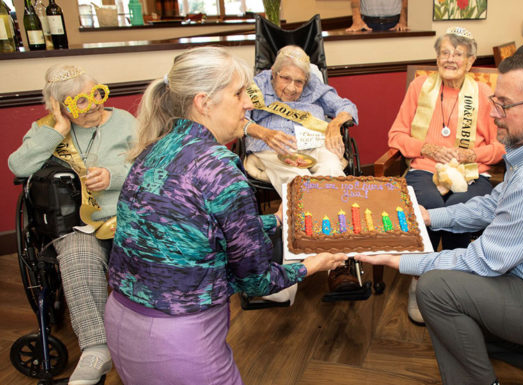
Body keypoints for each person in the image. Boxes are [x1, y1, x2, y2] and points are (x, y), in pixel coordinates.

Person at [357, 51, 523, 385]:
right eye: (495, 100)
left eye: (505, 105)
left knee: (436, 290)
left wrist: (401, 259)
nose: (494, 114)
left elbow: (484, 260)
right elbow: (494, 203)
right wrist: (428, 217)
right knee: (456, 312)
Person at [104, 46, 348, 385]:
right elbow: (256, 280)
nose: (249, 103)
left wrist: (274, 220)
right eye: (238, 93)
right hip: (178, 340)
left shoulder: (155, 147)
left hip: (120, 322)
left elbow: (192, 230)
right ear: (204, 102)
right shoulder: (217, 167)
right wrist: (313, 265)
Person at [8, 65, 136, 385]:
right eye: (80, 101)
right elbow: (18, 165)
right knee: (78, 255)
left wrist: (113, 176)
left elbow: (151, 163)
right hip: (79, 225)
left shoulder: (124, 122)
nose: (93, 104)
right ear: (60, 106)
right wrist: (56, 129)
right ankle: (95, 349)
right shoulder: (48, 129)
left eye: (97, 93)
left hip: (128, 216)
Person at [387, 26, 505, 324]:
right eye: (445, 52)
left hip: (470, 172)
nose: (450, 59)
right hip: (425, 168)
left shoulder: (484, 93)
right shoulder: (420, 88)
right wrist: (426, 147)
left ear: (470, 61)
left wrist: (471, 155)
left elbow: (501, 146)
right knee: (427, 207)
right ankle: (419, 280)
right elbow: (396, 135)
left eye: (458, 54)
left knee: (461, 211)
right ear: (437, 57)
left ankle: (453, 285)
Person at [243, 45, 359, 193]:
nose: (291, 88)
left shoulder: (314, 85)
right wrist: (264, 133)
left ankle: (327, 213)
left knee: (332, 169)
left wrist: (335, 124)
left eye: (299, 82)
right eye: (285, 78)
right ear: (273, 73)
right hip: (273, 146)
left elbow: (347, 106)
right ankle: (311, 214)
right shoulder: (257, 86)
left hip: (314, 144)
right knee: (299, 179)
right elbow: (239, 119)